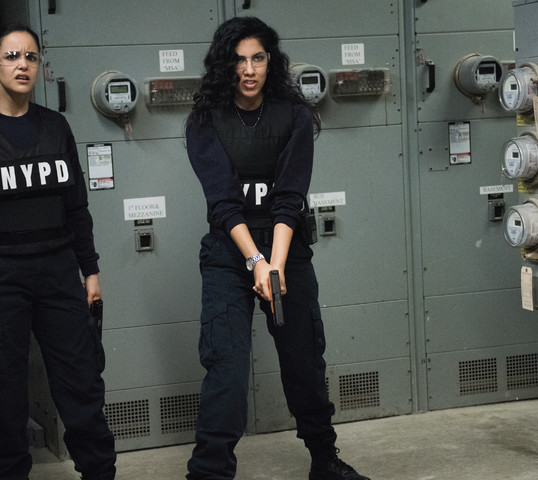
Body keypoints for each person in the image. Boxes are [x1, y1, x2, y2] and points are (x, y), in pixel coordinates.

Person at [184, 16, 370, 480]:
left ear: (272, 61)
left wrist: (277, 264)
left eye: (258, 58)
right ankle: (209, 473)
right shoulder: (205, 120)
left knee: (304, 359)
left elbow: (290, 197)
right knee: (226, 367)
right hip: (230, 254)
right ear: (224, 64)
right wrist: (255, 260)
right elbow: (223, 202)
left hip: (287, 249)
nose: (249, 70)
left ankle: (324, 461)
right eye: (239, 60)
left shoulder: (294, 116)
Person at [0, 23, 117, 480]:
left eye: (31, 56)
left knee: (82, 388)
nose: (22, 64)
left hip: (58, 273)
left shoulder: (55, 127)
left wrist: (90, 270)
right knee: (6, 399)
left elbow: (76, 207)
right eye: (12, 56)